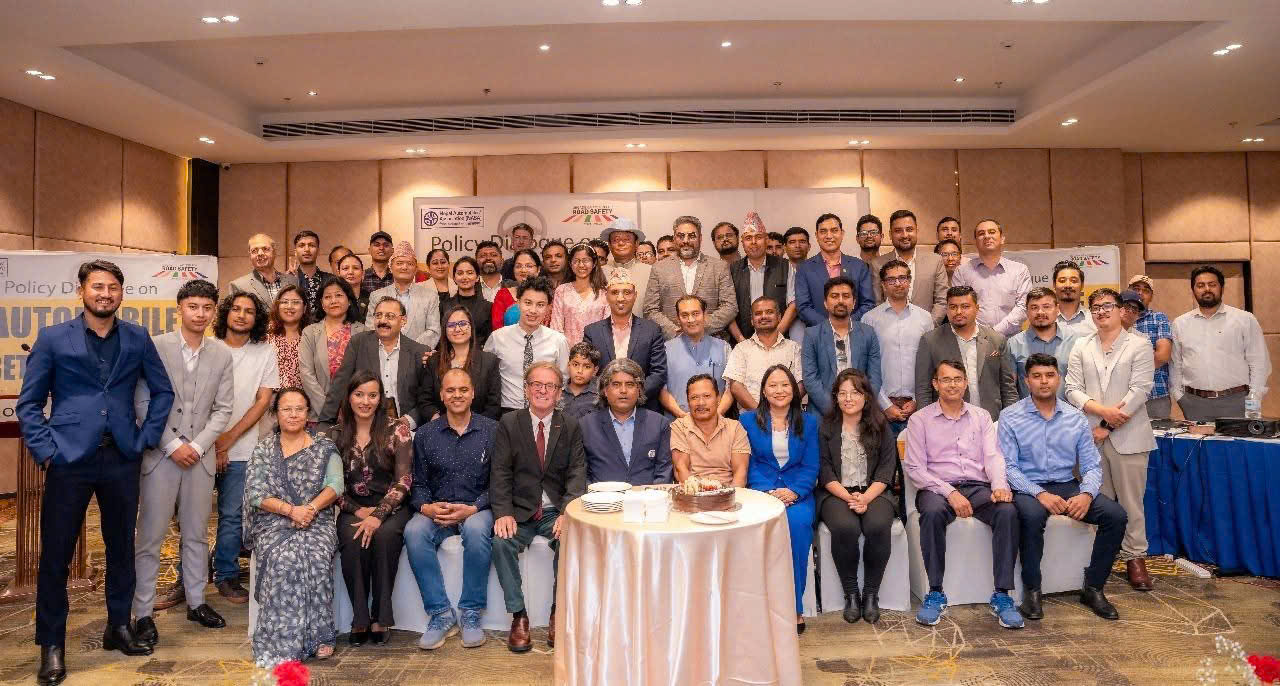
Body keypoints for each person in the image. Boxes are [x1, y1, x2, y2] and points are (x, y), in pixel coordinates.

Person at [18, 260, 174, 684]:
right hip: (68, 461)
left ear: (121, 293)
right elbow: (29, 403)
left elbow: (163, 391)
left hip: (122, 457)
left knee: (121, 547)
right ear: (82, 290)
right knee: (56, 556)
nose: (105, 294)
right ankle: (52, 644)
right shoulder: (53, 338)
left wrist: (145, 438)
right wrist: (47, 452)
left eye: (113, 288)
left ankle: (118, 626)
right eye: (97, 286)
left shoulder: (137, 337)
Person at [132, 280, 234, 649]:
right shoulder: (155, 346)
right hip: (161, 456)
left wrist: (200, 445)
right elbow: (141, 402)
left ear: (214, 312)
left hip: (200, 458)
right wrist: (173, 444)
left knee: (196, 534)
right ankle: (142, 611)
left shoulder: (222, 354)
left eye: (207, 307)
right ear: (180, 309)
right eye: (193, 306)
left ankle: (196, 601)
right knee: (150, 536)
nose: (200, 314)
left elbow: (223, 409)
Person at [1001, 353, 1126, 621]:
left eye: (1049, 375)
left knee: (1115, 516)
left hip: (1068, 485)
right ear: (1026, 380)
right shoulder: (1010, 416)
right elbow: (1009, 468)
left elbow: (1091, 466)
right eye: (1036, 376)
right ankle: (1032, 591)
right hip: (1028, 487)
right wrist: (1040, 493)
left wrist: (1086, 494)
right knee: (1031, 517)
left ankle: (1094, 588)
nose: (1044, 381)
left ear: (1058, 378)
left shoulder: (1075, 417)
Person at [904, 360, 1022, 630]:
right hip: (936, 487)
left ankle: (1002, 595)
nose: (952, 385)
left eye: (957, 379)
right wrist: (950, 493)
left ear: (966, 383)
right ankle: (935, 592)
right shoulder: (919, 420)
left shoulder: (981, 417)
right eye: (945, 379)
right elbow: (915, 469)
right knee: (932, 513)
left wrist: (999, 485)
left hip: (977, 487)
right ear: (935, 384)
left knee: (1007, 511)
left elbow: (993, 456)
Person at [490, 361, 588, 653]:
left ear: (559, 392)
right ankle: (518, 616)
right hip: (519, 511)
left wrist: (568, 512)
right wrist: (503, 512)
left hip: (553, 511)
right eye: (536, 384)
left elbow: (577, 473)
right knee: (501, 542)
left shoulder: (570, 426)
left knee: (570, 541)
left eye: (550, 386)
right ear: (526, 389)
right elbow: (500, 472)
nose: (543, 391)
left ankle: (559, 613)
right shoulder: (509, 423)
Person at [243, 388, 344, 665]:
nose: (293, 414)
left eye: (299, 409)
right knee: (283, 557)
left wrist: (310, 509)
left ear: (308, 413)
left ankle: (320, 636)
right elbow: (256, 493)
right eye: (286, 409)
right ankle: (280, 635)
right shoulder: (264, 450)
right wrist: (290, 511)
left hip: (316, 518)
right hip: (274, 521)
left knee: (315, 554)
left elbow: (335, 485)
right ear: (276, 413)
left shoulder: (323, 447)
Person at [1066, 288, 1157, 591]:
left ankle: (1134, 557)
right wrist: (1101, 412)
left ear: (1121, 310)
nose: (1101, 311)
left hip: (1129, 435)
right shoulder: (1082, 345)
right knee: (1096, 501)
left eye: (1107, 306)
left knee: (1131, 502)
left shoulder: (1140, 345)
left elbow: (1140, 390)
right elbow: (1072, 389)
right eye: (1095, 307)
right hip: (1089, 436)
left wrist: (1107, 424)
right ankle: (1096, 560)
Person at [406, 368, 498, 650]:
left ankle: (470, 612)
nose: (457, 395)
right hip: (439, 510)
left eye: (463, 390)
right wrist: (427, 508)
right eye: (450, 390)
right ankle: (440, 614)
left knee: (476, 530)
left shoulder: (493, 431)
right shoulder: (425, 434)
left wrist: (474, 508)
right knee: (414, 531)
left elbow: (501, 482)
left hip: (477, 508)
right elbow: (418, 482)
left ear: (472, 393)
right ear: (442, 395)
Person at [326, 371, 414, 647]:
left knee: (385, 538)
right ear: (349, 397)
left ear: (381, 398)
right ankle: (360, 617)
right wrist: (356, 511)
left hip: (392, 506)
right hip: (353, 507)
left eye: (372, 395)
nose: (366, 401)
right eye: (359, 394)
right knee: (352, 540)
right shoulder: (334, 435)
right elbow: (330, 485)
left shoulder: (397, 429)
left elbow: (404, 481)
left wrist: (378, 515)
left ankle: (381, 617)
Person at [210, 291, 279, 605]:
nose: (241, 315)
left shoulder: (265, 351)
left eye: (249, 311)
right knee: (193, 518)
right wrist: (214, 442)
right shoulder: (210, 347)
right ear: (225, 313)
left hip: (242, 446)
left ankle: (225, 575)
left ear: (257, 318)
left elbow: (263, 401)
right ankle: (188, 576)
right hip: (201, 446)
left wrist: (229, 439)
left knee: (232, 516)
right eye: (236, 309)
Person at [741, 365, 820, 634]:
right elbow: (748, 462)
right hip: (762, 493)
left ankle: (794, 608)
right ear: (763, 391)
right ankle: (761, 608)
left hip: (797, 495)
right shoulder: (747, 421)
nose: (779, 390)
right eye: (773, 385)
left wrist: (795, 491)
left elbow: (811, 465)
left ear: (795, 390)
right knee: (758, 533)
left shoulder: (809, 422)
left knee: (797, 528)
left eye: (785, 385)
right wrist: (766, 493)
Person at [817, 369, 898, 624]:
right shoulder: (826, 427)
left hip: (875, 491)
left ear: (866, 396)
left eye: (855, 392)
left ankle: (871, 594)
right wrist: (850, 498)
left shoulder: (881, 426)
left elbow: (886, 469)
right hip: (837, 492)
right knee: (845, 527)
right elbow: (825, 470)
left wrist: (865, 498)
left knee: (877, 525)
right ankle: (851, 594)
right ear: (835, 397)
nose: (848, 398)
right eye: (842, 393)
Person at [1171, 265, 1271, 421]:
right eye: (1200, 285)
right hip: (1194, 403)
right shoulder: (1180, 323)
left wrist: (1253, 401)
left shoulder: (1245, 319)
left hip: (1238, 401)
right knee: (1197, 439)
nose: (1207, 289)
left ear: (1222, 288)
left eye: (1212, 284)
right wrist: (1180, 397)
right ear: (1193, 290)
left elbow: (1259, 363)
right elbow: (1175, 364)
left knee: (1240, 439)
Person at [321, 296, 432, 428]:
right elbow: (340, 385)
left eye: (390, 316)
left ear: (403, 320)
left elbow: (427, 398)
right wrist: (325, 423)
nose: (383, 321)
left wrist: (408, 421)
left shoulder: (419, 352)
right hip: (363, 425)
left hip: (406, 428)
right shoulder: (358, 343)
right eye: (378, 315)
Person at [915, 286, 1018, 420]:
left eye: (965, 307)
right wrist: (927, 422)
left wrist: (1011, 420)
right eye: (953, 307)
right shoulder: (930, 341)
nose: (958, 312)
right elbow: (923, 389)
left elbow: (1008, 388)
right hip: (947, 421)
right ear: (947, 309)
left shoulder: (996, 340)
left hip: (991, 420)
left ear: (977, 308)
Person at [862, 260, 935, 432]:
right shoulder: (869, 319)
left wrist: (917, 400)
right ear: (883, 284)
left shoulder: (925, 318)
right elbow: (866, 366)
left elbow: (930, 364)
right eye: (891, 279)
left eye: (902, 278)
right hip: (880, 409)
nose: (897, 283)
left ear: (909, 281)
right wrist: (885, 405)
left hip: (918, 407)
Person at [484, 276, 571, 414]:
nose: (533, 310)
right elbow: (486, 376)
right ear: (518, 303)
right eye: (528, 303)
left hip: (545, 411)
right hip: (506, 411)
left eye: (540, 305)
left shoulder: (558, 341)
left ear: (549, 308)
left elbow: (564, 380)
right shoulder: (497, 338)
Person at [582, 270, 666, 410]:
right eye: (614, 292)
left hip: (643, 408)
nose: (620, 298)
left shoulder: (652, 330)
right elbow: (589, 372)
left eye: (627, 292)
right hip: (603, 408)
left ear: (635, 296)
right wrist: (609, 396)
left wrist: (634, 395)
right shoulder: (592, 332)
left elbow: (658, 373)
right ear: (606, 296)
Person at [643, 215, 738, 340]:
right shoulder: (659, 268)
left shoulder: (719, 267)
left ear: (700, 238)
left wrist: (701, 328)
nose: (686, 241)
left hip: (712, 340)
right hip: (672, 342)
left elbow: (730, 307)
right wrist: (674, 332)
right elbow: (650, 309)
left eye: (692, 236)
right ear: (674, 239)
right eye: (681, 236)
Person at [581, 358, 673, 484]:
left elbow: (664, 472)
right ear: (605, 390)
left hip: (647, 495)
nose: (623, 390)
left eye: (630, 384)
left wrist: (652, 496)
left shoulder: (659, 424)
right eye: (616, 384)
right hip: (602, 496)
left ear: (639, 390)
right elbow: (581, 474)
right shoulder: (586, 425)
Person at [802, 277, 881, 418]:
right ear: (825, 303)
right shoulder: (812, 335)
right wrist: (834, 411)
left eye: (846, 296)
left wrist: (860, 407)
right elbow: (810, 379)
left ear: (854, 302)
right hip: (824, 414)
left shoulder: (868, 333)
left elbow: (874, 378)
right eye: (834, 296)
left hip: (862, 414)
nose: (840, 301)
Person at [300, 277, 368, 421]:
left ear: (349, 300)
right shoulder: (310, 332)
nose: (333, 301)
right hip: (320, 413)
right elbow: (306, 374)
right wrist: (328, 410)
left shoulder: (363, 331)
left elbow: (366, 374)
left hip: (356, 414)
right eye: (327, 297)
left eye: (338, 295)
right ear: (321, 303)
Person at [949, 219, 1031, 336]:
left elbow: (1023, 307)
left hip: (1012, 339)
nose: (987, 236)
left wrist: (994, 333)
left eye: (992, 232)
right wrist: (981, 334)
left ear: (1002, 239)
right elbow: (958, 308)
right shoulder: (962, 272)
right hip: (973, 339)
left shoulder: (1019, 270)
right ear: (975, 241)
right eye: (981, 233)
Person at [794, 213, 875, 329]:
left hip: (854, 332)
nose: (829, 236)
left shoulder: (859, 266)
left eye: (834, 230)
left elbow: (868, 304)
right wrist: (828, 327)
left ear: (842, 233)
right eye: (823, 231)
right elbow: (803, 307)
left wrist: (846, 325)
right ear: (816, 235)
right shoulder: (804, 268)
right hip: (818, 333)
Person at [724, 297, 804, 411]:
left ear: (779, 317)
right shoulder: (741, 349)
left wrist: (782, 411)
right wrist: (760, 413)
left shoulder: (794, 348)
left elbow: (801, 384)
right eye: (758, 313)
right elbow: (736, 386)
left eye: (769, 312)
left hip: (789, 415)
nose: (764, 316)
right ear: (752, 320)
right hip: (752, 417)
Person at [422, 305, 501, 420]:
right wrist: (439, 422)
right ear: (444, 330)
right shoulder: (433, 361)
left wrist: (473, 426)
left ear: (471, 327)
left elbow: (494, 405)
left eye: (463, 323)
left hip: (481, 427)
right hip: (441, 426)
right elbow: (425, 401)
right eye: (451, 325)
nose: (457, 329)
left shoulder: (489, 361)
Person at [669, 374, 750, 486]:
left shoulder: (735, 428)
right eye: (694, 397)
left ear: (718, 398)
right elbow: (680, 469)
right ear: (688, 402)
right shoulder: (679, 426)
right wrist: (700, 494)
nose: (701, 403)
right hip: (692, 491)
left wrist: (730, 495)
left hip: (728, 491)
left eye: (707, 396)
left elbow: (741, 473)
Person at [661, 295, 733, 417]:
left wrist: (716, 415)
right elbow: (661, 390)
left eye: (695, 314)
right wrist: (683, 417)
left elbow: (730, 389)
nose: (691, 319)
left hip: (717, 422)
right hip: (678, 423)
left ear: (705, 315)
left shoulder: (724, 348)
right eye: (684, 315)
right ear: (678, 319)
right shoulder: (665, 350)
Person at [871, 210, 949, 323]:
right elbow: (878, 302)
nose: (904, 235)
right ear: (890, 234)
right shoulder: (877, 264)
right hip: (890, 328)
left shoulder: (935, 261)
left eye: (909, 229)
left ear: (916, 231)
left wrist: (928, 327)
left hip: (928, 329)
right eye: (898, 231)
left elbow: (942, 301)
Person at [366, 241, 442, 349]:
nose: (404, 267)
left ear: (416, 269)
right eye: (399, 263)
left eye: (410, 264)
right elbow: (371, 329)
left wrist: (412, 351)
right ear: (391, 267)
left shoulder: (430, 296)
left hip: (418, 355)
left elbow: (433, 331)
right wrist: (389, 349)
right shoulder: (376, 296)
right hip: (384, 354)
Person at [729, 217, 793, 343]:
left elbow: (793, 304)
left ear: (766, 240)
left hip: (780, 340)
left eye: (758, 237)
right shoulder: (732, 270)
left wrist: (776, 336)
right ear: (742, 242)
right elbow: (728, 309)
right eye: (748, 238)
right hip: (742, 340)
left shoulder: (785, 266)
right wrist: (741, 341)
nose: (753, 242)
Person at [1006, 287, 1077, 399]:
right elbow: (1009, 389)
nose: (1040, 312)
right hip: (1026, 409)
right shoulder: (1013, 344)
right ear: (1027, 311)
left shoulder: (1075, 341)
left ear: (1057, 309)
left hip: (1068, 409)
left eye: (1046, 307)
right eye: (1034, 307)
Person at [1127, 275, 1175, 418]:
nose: (1140, 293)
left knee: (1159, 432)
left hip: (1156, 394)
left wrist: (1127, 367)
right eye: (1136, 289)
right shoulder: (1117, 318)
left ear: (1151, 296)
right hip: (1124, 395)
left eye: (1146, 291)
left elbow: (1162, 356)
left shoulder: (1159, 318)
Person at [550, 242, 609, 346]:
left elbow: (606, 330)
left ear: (594, 263)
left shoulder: (604, 293)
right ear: (570, 264)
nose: (581, 265)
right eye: (576, 261)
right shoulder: (562, 291)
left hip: (596, 351)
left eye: (586, 260)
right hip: (567, 351)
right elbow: (556, 328)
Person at [230, 233, 300, 307]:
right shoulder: (239, 286)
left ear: (274, 252)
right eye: (254, 250)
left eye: (265, 249)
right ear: (250, 255)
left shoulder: (294, 281)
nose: (260, 253)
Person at [439, 256, 494, 348]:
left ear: (477, 277)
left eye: (470, 273)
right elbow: (442, 337)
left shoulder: (488, 307)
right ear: (454, 278)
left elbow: (490, 339)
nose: (465, 277)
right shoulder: (445, 305)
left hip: (480, 354)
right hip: (451, 353)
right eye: (460, 273)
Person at [601, 218, 652, 314]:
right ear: (609, 245)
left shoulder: (650, 272)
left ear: (636, 243)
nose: (621, 243)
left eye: (627, 239)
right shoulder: (600, 273)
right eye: (616, 240)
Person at [267, 284, 311, 389]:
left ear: (304, 308)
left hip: (303, 396)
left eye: (296, 302)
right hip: (270, 396)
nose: (289, 306)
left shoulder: (312, 336)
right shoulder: (265, 335)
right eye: (284, 302)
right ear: (277, 306)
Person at [491, 248, 543, 330]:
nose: (523, 270)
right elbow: (497, 327)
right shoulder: (503, 294)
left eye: (529, 266)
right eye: (518, 266)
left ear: (538, 269)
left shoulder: (546, 295)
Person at [291, 230, 332, 319]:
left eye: (311, 245)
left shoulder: (330, 280)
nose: (307, 249)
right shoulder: (288, 280)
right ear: (295, 252)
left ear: (318, 251)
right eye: (301, 245)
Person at [783, 226, 812, 342]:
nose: (797, 246)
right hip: (781, 325)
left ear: (809, 246)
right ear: (785, 247)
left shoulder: (817, 269)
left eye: (802, 241)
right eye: (792, 242)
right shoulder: (777, 272)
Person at [1052, 260, 1095, 337]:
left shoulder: (1093, 319)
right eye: (1062, 281)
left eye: (1074, 281)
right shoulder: (1044, 319)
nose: (1068, 285)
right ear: (1054, 285)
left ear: (1082, 285)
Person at [560, 341, 602, 419]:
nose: (580, 371)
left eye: (587, 367)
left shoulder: (601, 393)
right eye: (575, 365)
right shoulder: (557, 389)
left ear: (595, 370)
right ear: (568, 365)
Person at [336, 252, 371, 322]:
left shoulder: (371, 298)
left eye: (355, 268)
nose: (350, 272)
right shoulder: (332, 299)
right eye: (345, 268)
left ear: (363, 273)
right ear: (338, 273)